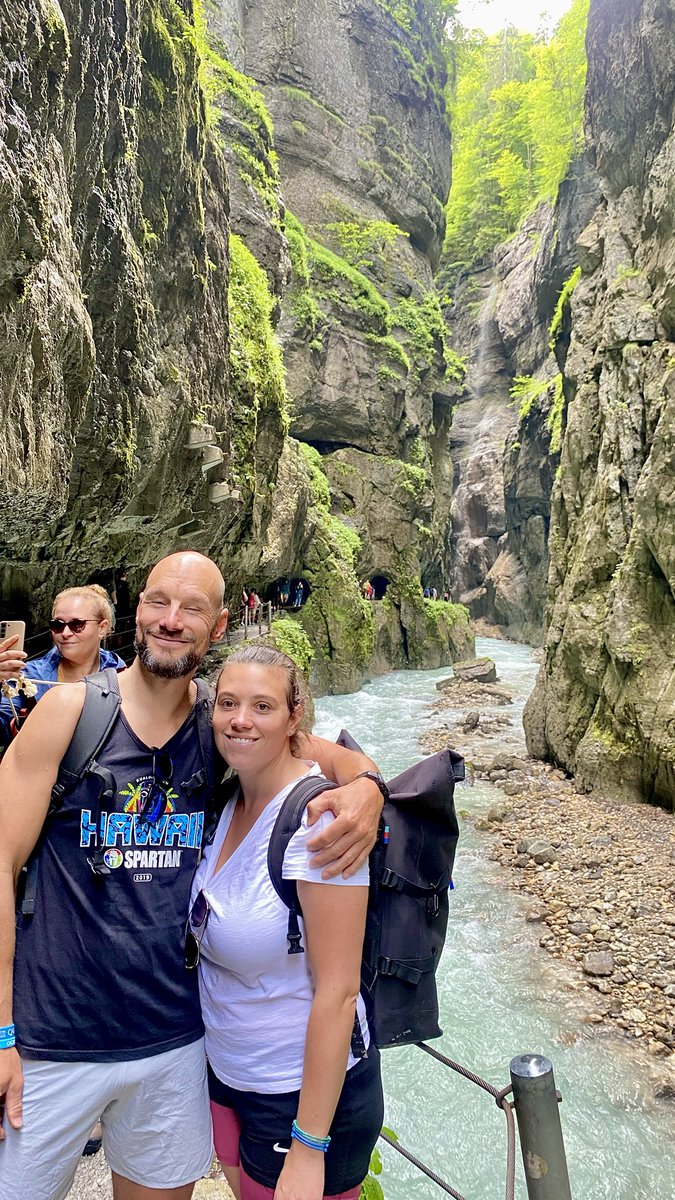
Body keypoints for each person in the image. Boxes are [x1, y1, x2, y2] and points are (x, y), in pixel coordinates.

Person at [0, 551, 384, 1200]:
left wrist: (369, 789)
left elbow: (332, 758)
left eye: (193, 608)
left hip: (175, 1046)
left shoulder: (223, 723)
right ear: (136, 611)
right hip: (50, 1041)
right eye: (159, 603)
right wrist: (3, 1031)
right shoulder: (69, 711)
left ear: (219, 624)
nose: (171, 621)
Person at [191, 644, 384, 1200]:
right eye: (227, 703)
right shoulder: (228, 801)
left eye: (262, 706)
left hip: (298, 1098)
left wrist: (308, 1146)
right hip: (229, 1074)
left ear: (293, 717)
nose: (241, 720)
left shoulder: (318, 822)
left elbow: (339, 990)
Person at [0, 584, 126, 748]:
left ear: (101, 628)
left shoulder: (122, 676)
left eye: (77, 624)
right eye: (58, 625)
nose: (65, 633)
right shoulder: (27, 676)